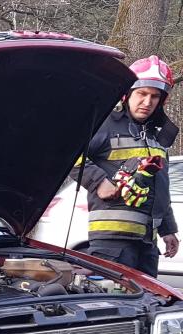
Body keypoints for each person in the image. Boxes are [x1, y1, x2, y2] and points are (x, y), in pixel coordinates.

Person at [74, 55, 180, 277]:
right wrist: (98, 181)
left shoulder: (156, 137)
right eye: (142, 93)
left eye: (154, 96)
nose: (147, 102)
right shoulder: (104, 124)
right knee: (112, 297)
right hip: (112, 243)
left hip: (147, 244)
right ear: (127, 94)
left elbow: (161, 188)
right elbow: (67, 154)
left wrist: (168, 229)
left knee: (147, 299)